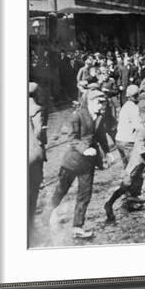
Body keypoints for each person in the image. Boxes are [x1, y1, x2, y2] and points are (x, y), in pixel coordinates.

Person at [47, 89, 114, 239]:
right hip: (72, 162)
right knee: (61, 191)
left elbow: (101, 136)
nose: (102, 105)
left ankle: (77, 227)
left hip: (87, 164)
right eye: (99, 102)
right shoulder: (77, 116)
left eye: (103, 102)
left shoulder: (99, 117)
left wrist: (107, 152)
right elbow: (72, 139)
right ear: (90, 102)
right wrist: (85, 150)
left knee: (85, 195)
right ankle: (47, 215)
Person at [104, 110, 145, 223]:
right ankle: (109, 203)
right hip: (135, 167)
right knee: (125, 187)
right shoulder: (141, 133)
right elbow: (141, 149)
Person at [27, 82, 47, 246]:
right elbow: (39, 132)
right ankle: (30, 227)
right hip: (32, 153)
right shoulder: (36, 108)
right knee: (32, 191)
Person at [115, 84, 143, 166]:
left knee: (127, 168)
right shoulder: (133, 107)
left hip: (119, 140)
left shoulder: (125, 105)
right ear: (137, 95)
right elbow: (138, 127)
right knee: (135, 169)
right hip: (128, 142)